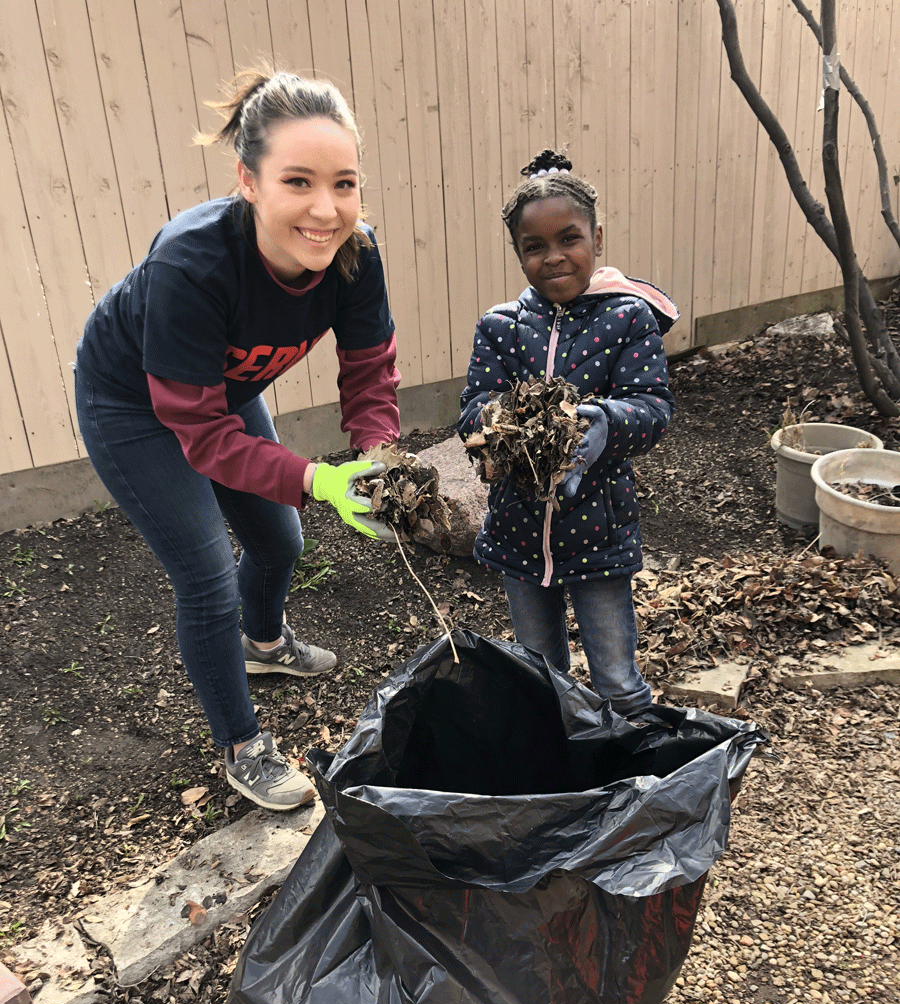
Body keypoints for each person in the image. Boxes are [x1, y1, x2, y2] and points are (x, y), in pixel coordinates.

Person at [75, 70, 401, 812]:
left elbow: (370, 369)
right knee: (207, 575)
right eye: (298, 181)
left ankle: (264, 647)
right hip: (133, 405)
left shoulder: (355, 254)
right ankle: (240, 744)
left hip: (220, 398)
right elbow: (202, 435)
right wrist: (319, 479)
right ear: (248, 181)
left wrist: (380, 456)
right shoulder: (192, 263)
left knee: (280, 544)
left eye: (344, 184)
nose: (326, 209)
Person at [458, 149, 680, 717]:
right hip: (519, 531)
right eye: (535, 247)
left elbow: (653, 405)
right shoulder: (500, 326)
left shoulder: (627, 319)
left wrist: (606, 421)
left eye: (569, 239)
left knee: (616, 679)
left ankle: (633, 779)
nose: (554, 257)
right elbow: (473, 408)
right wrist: (497, 423)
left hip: (598, 533)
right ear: (518, 253)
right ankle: (560, 780)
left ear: (597, 239)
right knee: (540, 676)